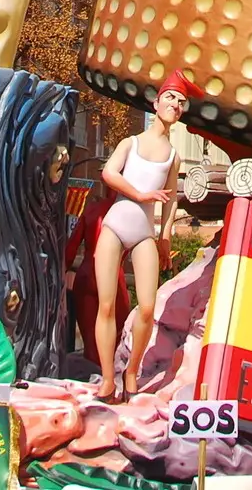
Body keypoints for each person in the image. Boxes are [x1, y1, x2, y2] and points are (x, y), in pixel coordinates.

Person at [93, 69, 194, 400]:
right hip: (116, 225)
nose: (175, 105)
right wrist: (140, 195)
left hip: (143, 235)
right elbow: (109, 173)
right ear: (156, 101)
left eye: (181, 103)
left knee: (147, 308)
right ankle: (108, 378)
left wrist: (165, 237)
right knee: (106, 304)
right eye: (171, 98)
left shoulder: (173, 156)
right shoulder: (131, 143)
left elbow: (171, 199)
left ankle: (132, 371)